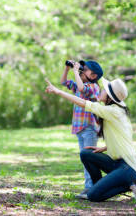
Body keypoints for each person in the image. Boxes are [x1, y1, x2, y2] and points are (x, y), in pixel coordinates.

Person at [45, 77, 136, 202]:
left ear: (109, 96)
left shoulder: (113, 111)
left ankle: (130, 185)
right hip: (117, 163)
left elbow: (83, 103)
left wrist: (58, 91)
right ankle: (100, 186)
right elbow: (123, 138)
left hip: (128, 167)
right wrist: (104, 148)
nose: (101, 90)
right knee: (86, 154)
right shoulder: (113, 111)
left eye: (104, 90)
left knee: (93, 196)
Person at [60, 60, 103, 199]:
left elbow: (82, 89)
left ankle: (89, 188)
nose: (82, 70)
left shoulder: (93, 87)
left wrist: (75, 71)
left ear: (93, 75)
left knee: (88, 159)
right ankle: (89, 187)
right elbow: (63, 82)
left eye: (86, 69)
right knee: (85, 159)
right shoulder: (81, 84)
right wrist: (67, 69)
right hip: (79, 128)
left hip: (89, 128)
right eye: (83, 68)